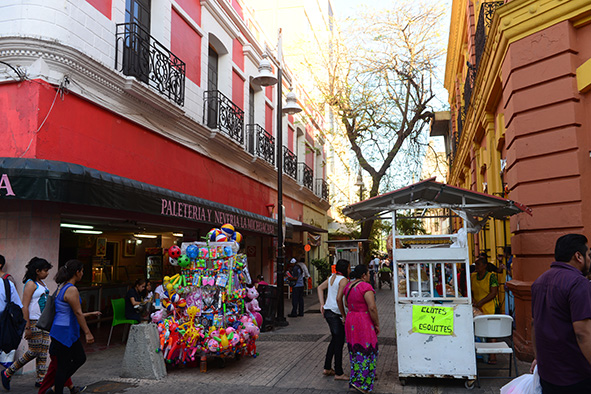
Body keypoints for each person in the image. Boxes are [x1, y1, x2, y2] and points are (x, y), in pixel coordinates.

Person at [530, 234, 591, 393]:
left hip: (548, 373)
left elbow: (534, 325)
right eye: (589, 254)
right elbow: (583, 333)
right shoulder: (579, 283)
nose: (590, 260)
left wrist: (538, 358)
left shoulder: (540, 281)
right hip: (574, 375)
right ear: (578, 256)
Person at [47, 259, 100, 394]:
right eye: (82, 271)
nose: (82, 274)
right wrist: (87, 332)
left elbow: (71, 311)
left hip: (61, 330)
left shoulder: (62, 286)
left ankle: (54, 389)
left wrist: (89, 314)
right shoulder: (71, 289)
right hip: (65, 332)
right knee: (65, 365)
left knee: (77, 359)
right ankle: (56, 390)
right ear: (77, 272)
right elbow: (77, 312)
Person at [2, 257, 52, 388]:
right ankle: (8, 371)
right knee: (34, 350)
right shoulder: (30, 284)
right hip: (34, 322)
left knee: (43, 350)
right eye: (45, 270)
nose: (47, 273)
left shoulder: (41, 283)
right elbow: (25, 306)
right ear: (37, 270)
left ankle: (41, 379)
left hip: (44, 321)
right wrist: (27, 326)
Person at [342, 265, 379, 393]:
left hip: (351, 319)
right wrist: (377, 324)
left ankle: (355, 379)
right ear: (363, 275)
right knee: (367, 350)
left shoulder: (348, 286)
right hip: (363, 321)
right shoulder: (366, 287)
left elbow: (346, 303)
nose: (369, 276)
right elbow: (372, 307)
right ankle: (363, 383)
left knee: (355, 350)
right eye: (368, 274)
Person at [317, 259, 350, 381]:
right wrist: (343, 315)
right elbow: (338, 299)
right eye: (348, 267)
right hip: (336, 313)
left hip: (328, 312)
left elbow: (320, 288)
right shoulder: (343, 280)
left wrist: (322, 304)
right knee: (339, 342)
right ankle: (339, 372)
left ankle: (327, 368)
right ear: (345, 268)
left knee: (335, 340)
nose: (349, 270)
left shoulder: (333, 277)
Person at [0, 263, 23, 391]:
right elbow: (17, 305)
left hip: (4, 324)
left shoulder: (8, 283)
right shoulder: (7, 284)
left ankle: (6, 373)